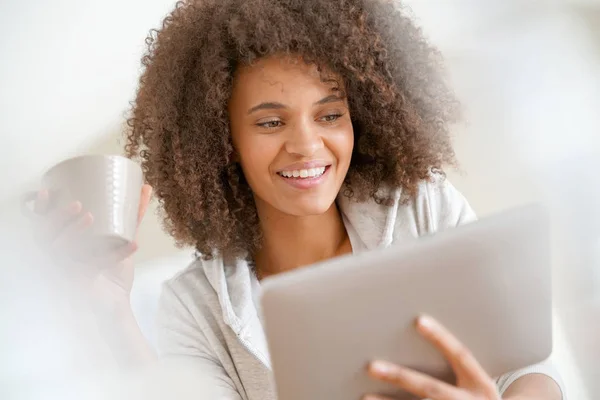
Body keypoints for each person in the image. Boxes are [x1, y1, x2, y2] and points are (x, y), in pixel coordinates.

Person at [35, 0, 565, 399]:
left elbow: (531, 374)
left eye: (330, 114)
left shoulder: (422, 207)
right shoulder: (196, 305)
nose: (308, 145)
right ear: (223, 142)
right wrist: (111, 312)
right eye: (270, 122)